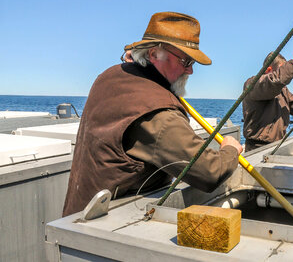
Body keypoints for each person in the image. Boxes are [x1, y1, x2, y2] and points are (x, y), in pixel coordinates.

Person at [63, 12, 242, 216]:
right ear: (154, 54)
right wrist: (230, 149)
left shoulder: (109, 76)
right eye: (185, 62)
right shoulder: (158, 111)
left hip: (77, 215)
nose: (190, 71)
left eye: (192, 63)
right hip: (110, 224)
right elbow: (208, 172)